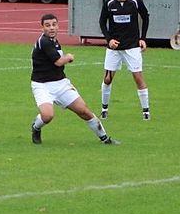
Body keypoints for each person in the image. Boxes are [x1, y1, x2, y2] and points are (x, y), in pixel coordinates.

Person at [30, 13, 118, 145]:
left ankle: (105, 139)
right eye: (47, 25)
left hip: (60, 84)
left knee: (84, 111)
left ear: (58, 26)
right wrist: (69, 57)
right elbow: (59, 62)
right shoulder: (44, 41)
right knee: (47, 116)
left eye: (54, 24)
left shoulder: (54, 41)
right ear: (42, 27)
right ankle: (36, 127)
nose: (51, 28)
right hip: (42, 85)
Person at [98, 0, 151, 120]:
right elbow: (102, 22)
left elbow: (145, 17)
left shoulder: (135, 2)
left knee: (138, 78)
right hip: (114, 49)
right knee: (108, 79)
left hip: (132, 47)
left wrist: (143, 38)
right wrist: (109, 40)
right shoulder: (109, 3)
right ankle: (104, 109)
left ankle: (146, 112)